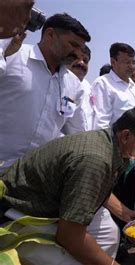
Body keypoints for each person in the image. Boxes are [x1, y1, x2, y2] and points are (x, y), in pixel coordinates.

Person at [0, 106, 135, 265]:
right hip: (18, 214)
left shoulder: (111, 144)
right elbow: (69, 236)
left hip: (53, 204)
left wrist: (124, 212)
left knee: (109, 234)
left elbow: (95, 187)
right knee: (74, 260)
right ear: (126, 136)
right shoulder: (96, 160)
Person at [0, 13, 91, 173]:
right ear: (50, 34)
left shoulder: (75, 85)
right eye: (72, 45)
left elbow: (77, 135)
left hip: (33, 180)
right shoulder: (11, 57)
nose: (77, 53)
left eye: (80, 48)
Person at [91, 42, 135, 129]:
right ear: (113, 62)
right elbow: (100, 124)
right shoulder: (103, 84)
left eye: (133, 62)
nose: (131, 66)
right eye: (127, 62)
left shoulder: (134, 87)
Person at [64, 45, 96, 132]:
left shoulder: (88, 86)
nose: (81, 63)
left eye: (85, 60)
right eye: (75, 58)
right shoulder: (60, 83)